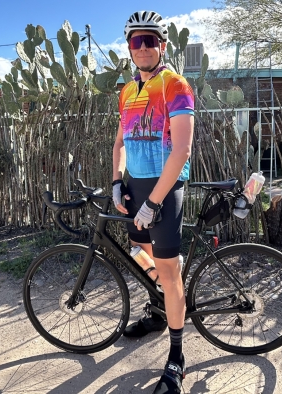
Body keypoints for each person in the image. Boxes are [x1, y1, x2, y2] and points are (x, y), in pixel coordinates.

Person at [112, 10, 194, 394]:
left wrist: (153, 203)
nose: (142, 47)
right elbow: (120, 142)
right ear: (129, 48)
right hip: (135, 185)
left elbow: (181, 151)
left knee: (170, 270)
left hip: (165, 188)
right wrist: (116, 180)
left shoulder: (174, 84)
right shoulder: (127, 91)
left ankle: (176, 357)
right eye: (135, 41)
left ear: (161, 45)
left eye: (150, 40)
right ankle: (161, 309)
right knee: (136, 250)